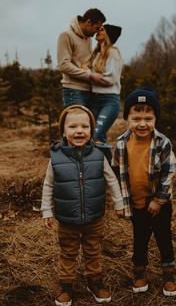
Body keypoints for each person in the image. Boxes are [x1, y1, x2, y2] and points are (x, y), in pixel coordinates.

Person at [41, 104, 124, 306]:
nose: (79, 131)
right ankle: (66, 286)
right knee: (68, 252)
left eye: (85, 127)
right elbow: (48, 185)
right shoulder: (56, 157)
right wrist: (46, 210)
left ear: (91, 130)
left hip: (94, 217)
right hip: (67, 218)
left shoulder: (98, 155)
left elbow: (111, 180)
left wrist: (119, 202)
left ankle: (94, 282)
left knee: (93, 250)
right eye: (73, 127)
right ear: (63, 131)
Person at [112, 86, 176, 297]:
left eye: (148, 118)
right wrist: (120, 202)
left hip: (158, 204)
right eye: (136, 118)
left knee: (163, 236)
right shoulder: (121, 143)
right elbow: (116, 173)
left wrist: (159, 200)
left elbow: (169, 173)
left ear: (155, 119)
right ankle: (139, 271)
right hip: (135, 203)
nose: (142, 123)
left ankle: (169, 272)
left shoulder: (162, 143)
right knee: (139, 238)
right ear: (127, 118)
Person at [57, 8, 111, 107]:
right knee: (77, 122)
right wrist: (89, 76)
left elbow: (87, 63)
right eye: (96, 28)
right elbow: (63, 65)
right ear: (88, 22)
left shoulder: (88, 39)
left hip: (89, 90)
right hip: (73, 91)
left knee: (90, 122)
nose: (97, 32)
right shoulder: (66, 36)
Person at [90, 24, 123, 147]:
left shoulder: (113, 53)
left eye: (102, 29)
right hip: (94, 100)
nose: (98, 30)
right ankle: (106, 165)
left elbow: (111, 79)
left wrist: (89, 74)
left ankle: (106, 165)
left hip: (108, 101)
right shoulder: (97, 54)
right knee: (98, 138)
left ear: (108, 35)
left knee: (96, 135)